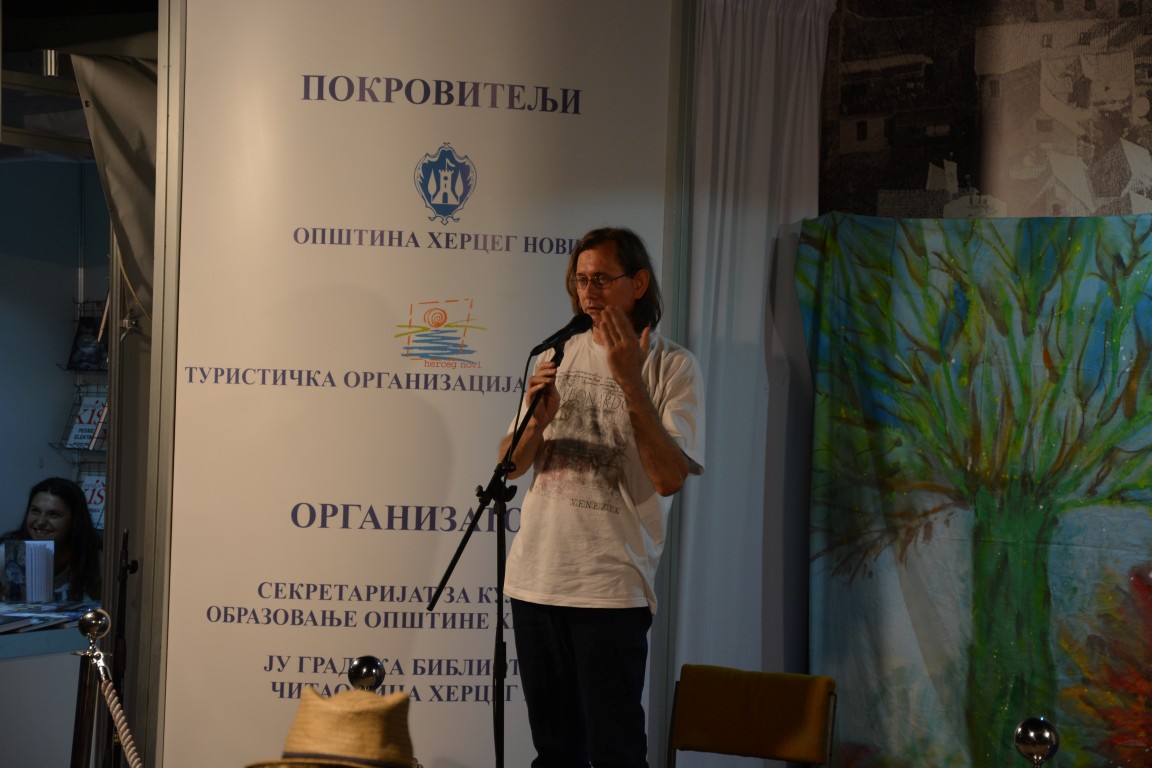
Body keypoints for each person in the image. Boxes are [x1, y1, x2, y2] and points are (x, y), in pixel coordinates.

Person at [500, 226, 705, 767]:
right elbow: (510, 466)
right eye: (580, 280)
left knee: (616, 753)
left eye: (601, 279)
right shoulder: (555, 353)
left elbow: (669, 478)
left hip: (610, 588)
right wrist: (536, 423)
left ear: (638, 283)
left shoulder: (672, 366)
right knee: (555, 754)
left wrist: (630, 381)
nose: (587, 292)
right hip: (536, 581)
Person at [1, 477, 102, 601]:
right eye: (35, 511)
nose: (40, 522)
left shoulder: (93, 558)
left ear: (74, 520)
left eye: (54, 514)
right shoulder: (7, 555)